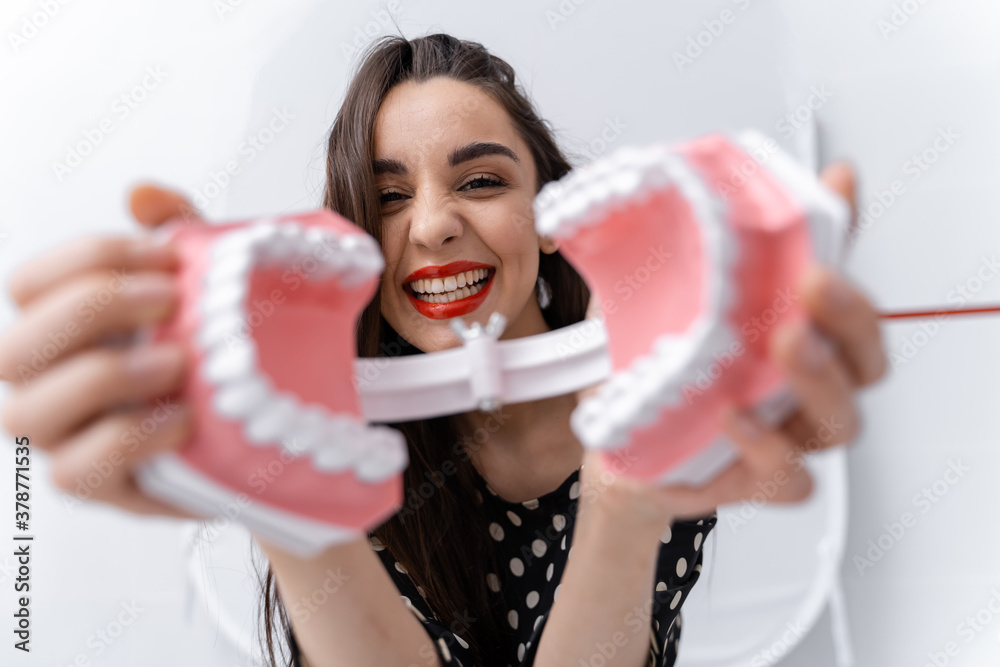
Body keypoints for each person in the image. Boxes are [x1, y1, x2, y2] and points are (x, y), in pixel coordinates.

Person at [0, 33, 886, 667]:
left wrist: (628, 494)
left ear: (548, 220)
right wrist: (284, 506)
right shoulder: (337, 448)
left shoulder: (665, 410)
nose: (431, 226)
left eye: (481, 180)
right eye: (388, 199)